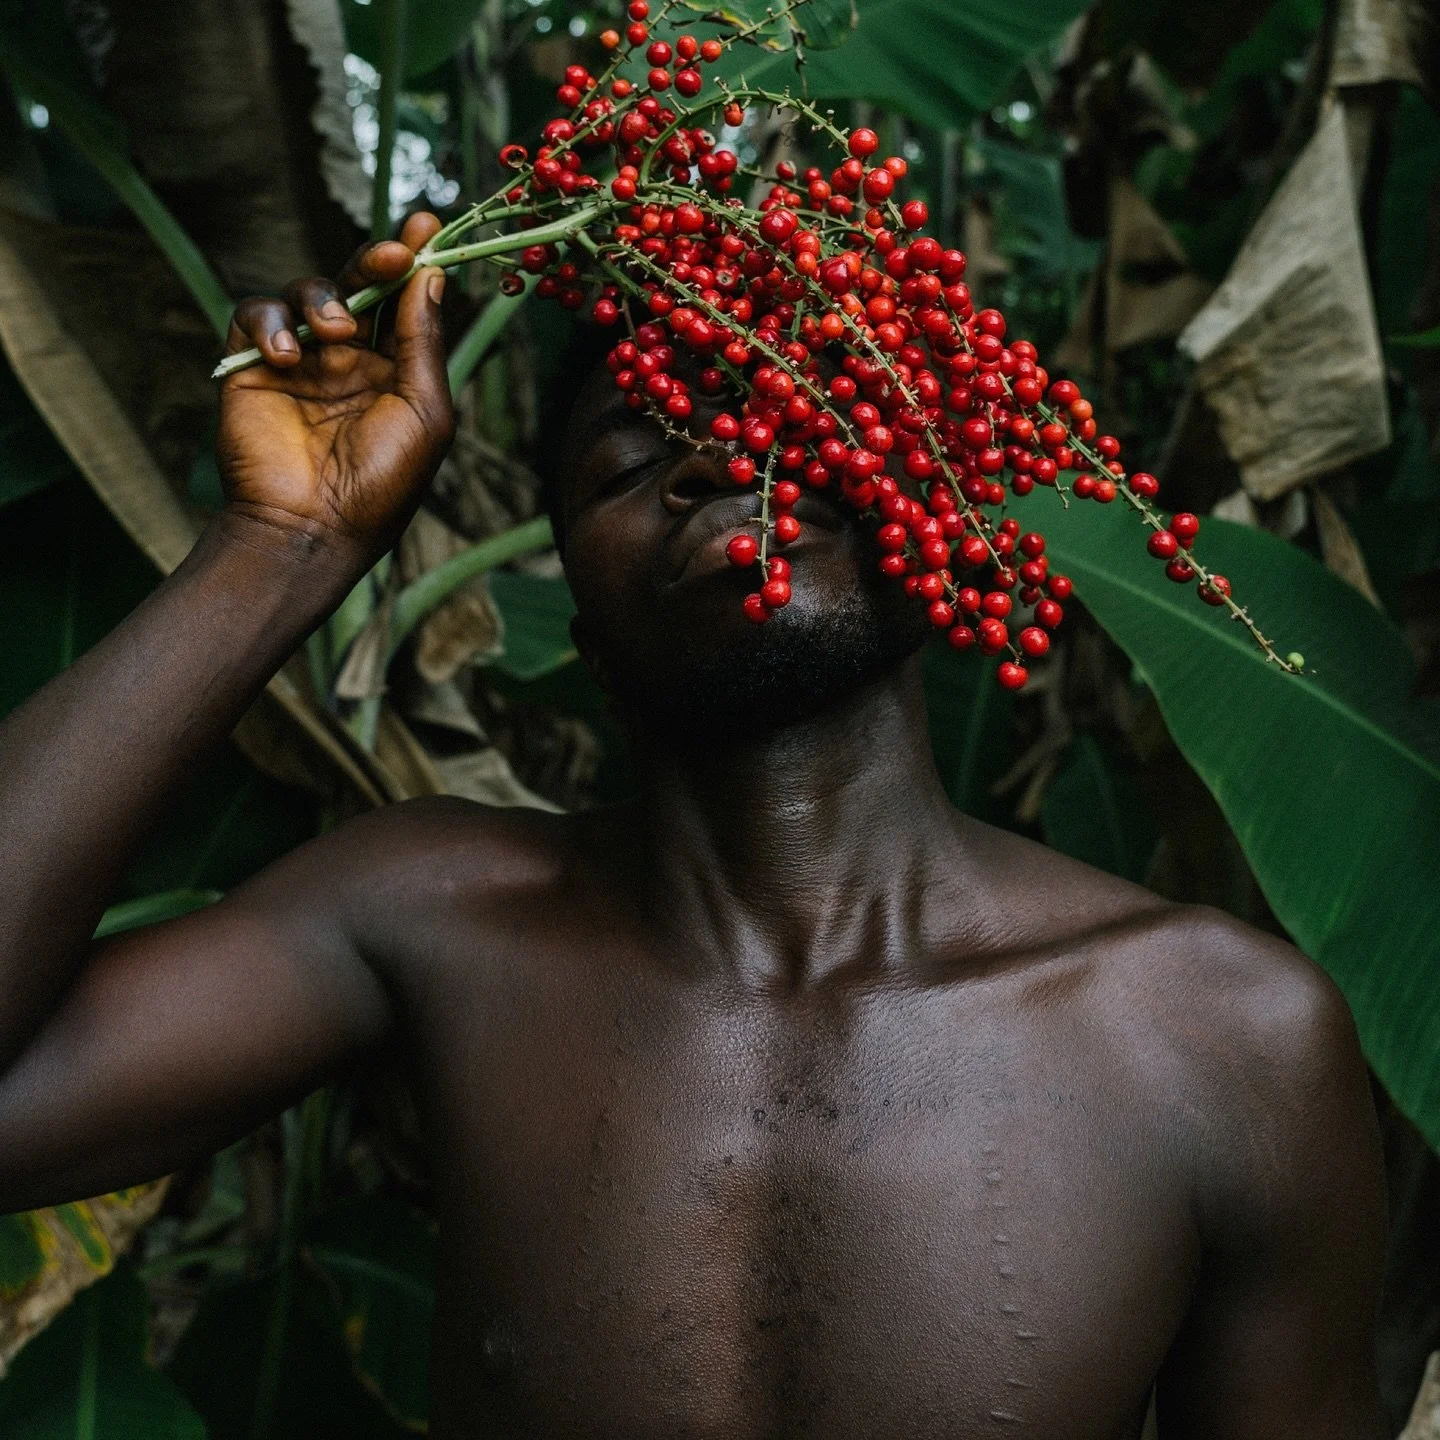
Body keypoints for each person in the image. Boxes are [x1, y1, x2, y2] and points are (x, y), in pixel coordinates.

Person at [0, 212, 1387, 1438]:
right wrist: (278, 548)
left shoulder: (1226, 1042)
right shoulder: (431, 915)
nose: (725, 449)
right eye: (629, 460)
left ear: (940, 520)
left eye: (798, 399)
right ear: (581, 634)